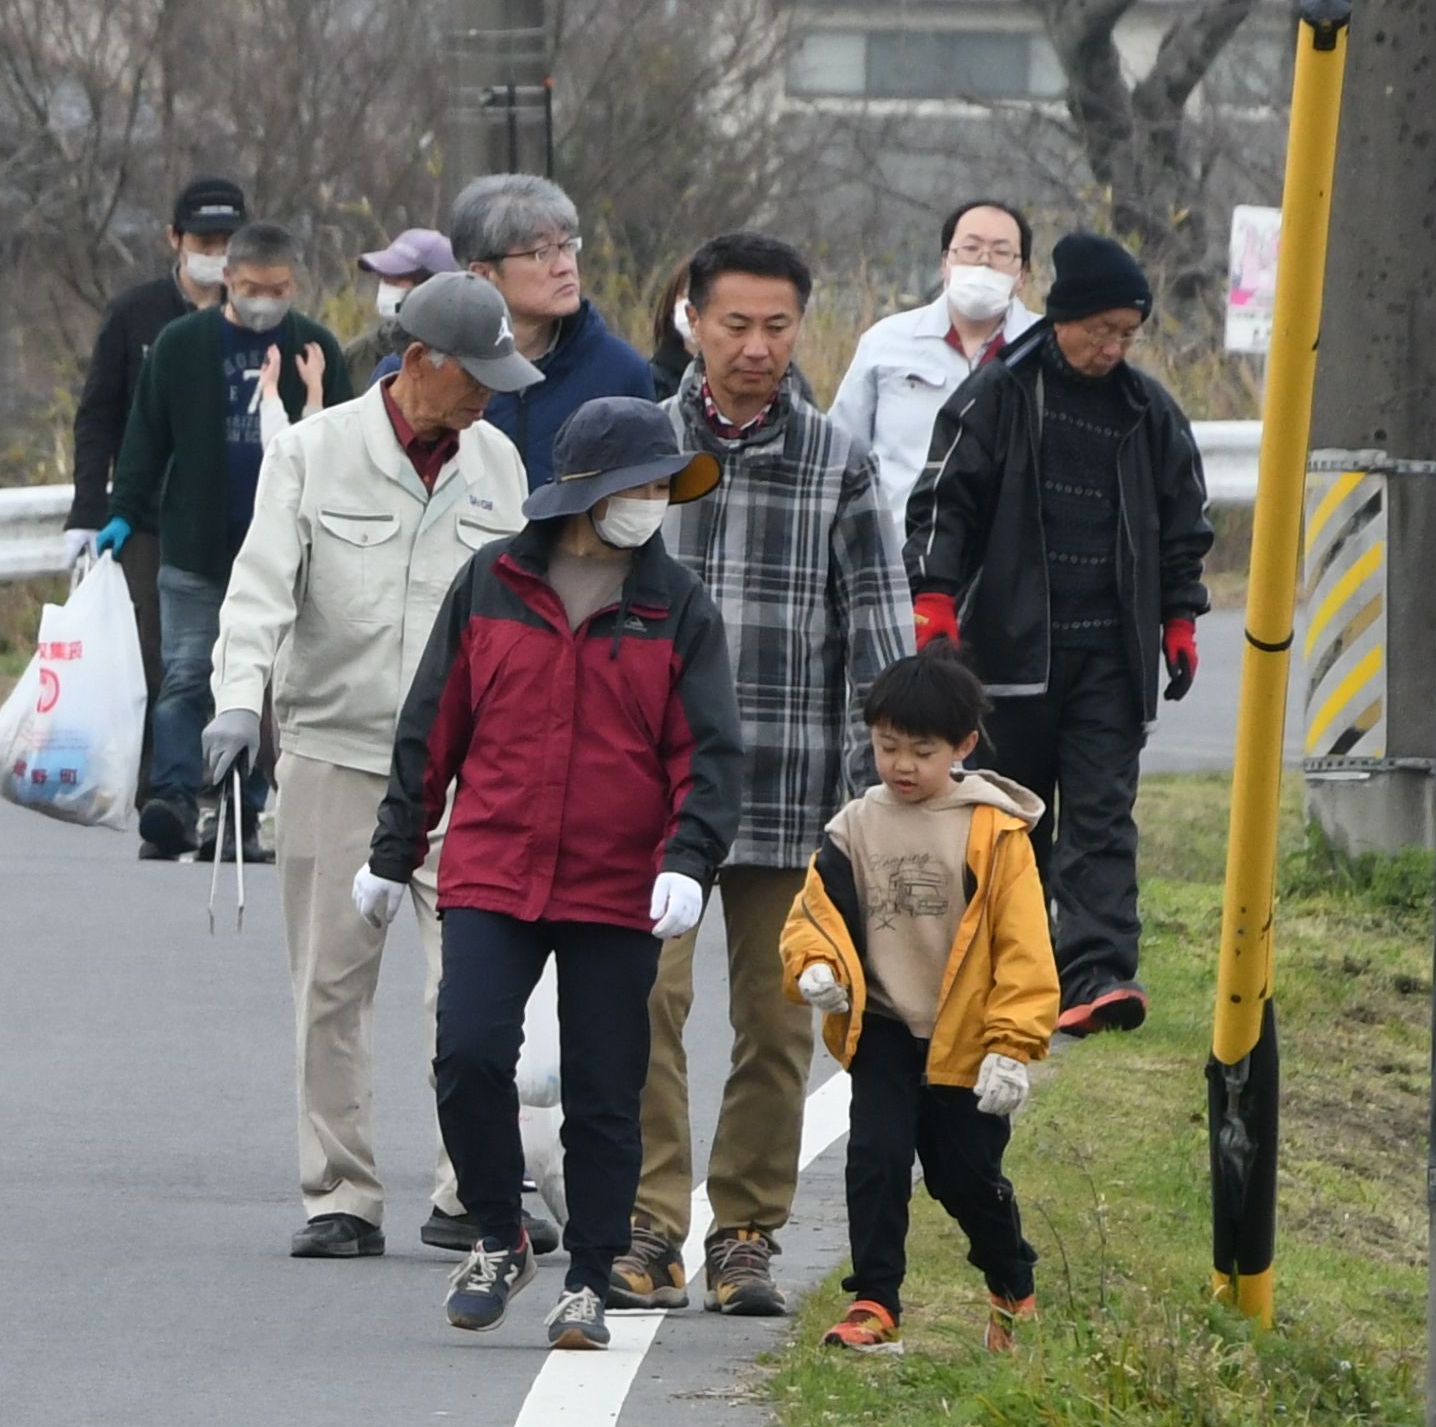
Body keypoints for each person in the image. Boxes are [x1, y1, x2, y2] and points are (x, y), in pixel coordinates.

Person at [361, 395, 743, 1350]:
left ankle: (588, 1277)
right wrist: (391, 852)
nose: (654, 500)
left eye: (664, 484)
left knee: (608, 1088)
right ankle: (498, 1233)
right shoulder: (490, 582)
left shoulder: (677, 606)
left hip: (619, 883)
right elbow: (431, 726)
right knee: (470, 1054)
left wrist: (689, 860)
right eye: (640, 483)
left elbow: (710, 752)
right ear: (587, 489)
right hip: (493, 864)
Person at [203, 266, 533, 1256]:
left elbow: (523, 613)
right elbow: (258, 590)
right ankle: (339, 1193)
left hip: (468, 766)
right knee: (331, 984)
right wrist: (233, 706)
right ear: (416, 360)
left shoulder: (499, 465)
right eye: (470, 374)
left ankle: (473, 1187)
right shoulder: (312, 452)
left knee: (472, 984)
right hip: (335, 750)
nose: (483, 394)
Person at [638, 229, 908, 1317]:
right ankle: (647, 1225)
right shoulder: (637, 448)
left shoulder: (839, 460)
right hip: (652, 796)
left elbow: (880, 634)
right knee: (640, 1006)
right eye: (734, 323)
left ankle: (743, 1232)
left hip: (793, 788)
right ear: (691, 321)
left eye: (777, 325)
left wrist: (883, 796)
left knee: (779, 1014)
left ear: (803, 326)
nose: (755, 346)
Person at [906, 231, 1216, 1035]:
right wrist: (934, 600)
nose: (1113, 347)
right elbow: (943, 499)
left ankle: (1099, 974)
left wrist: (1178, 617)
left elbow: (1184, 523)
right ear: (1064, 316)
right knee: (1012, 818)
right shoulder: (998, 392)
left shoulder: (1149, 413)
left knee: (1103, 814)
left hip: (1110, 654)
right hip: (1008, 652)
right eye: (1100, 330)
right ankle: (1009, 967)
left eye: (1127, 334)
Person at [784, 648, 1055, 1356]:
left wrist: (1012, 1044)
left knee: (965, 1178)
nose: (901, 765)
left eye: (921, 751)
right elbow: (812, 917)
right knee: (875, 1157)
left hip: (965, 1037)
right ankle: (875, 1302)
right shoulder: (854, 828)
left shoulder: (994, 832)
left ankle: (1011, 1285)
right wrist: (815, 966)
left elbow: (1025, 947)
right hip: (882, 1027)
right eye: (887, 746)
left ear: (964, 746)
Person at [107, 216, 342, 858]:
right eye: (256, 287)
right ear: (229, 282)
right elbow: (145, 436)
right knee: (186, 674)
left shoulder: (314, 349)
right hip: (195, 549)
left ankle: (239, 815)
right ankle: (174, 800)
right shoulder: (181, 346)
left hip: (280, 556)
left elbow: (347, 442)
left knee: (263, 690)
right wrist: (124, 512)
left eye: (282, 287)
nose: (269, 299)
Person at [67, 171, 250, 585]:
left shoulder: (255, 319)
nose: (217, 255)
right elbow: (97, 417)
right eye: (205, 244)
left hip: (234, 522)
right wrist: (89, 510)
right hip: (147, 520)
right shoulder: (133, 314)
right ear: (175, 239)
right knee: (151, 645)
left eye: (228, 244)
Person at [831, 200, 1030, 528]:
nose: (984, 261)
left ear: (1022, 275)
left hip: (1007, 564)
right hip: (898, 556)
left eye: (1001, 252)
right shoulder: (887, 342)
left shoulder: (1042, 349)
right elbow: (841, 453)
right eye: (970, 248)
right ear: (945, 263)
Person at [443, 173, 664, 448]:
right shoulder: (426, 370)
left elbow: (645, 486)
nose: (565, 266)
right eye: (541, 253)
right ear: (483, 273)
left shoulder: (620, 371)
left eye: (568, 246)